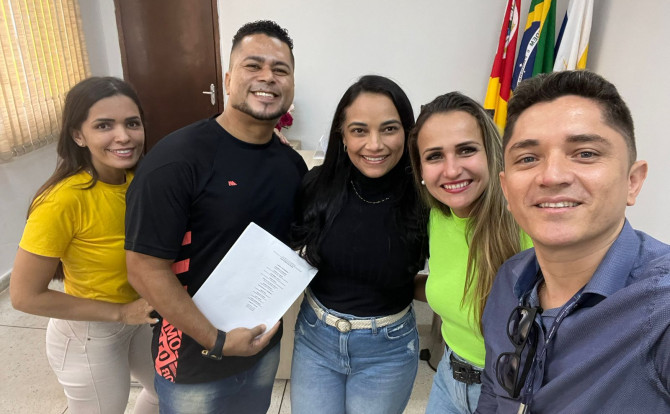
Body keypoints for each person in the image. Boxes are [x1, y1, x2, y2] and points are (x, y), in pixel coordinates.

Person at [124, 20, 307, 414]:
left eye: (280, 69)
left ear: (291, 84)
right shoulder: (176, 160)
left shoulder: (292, 166)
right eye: (253, 65)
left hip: (262, 349)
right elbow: (143, 268)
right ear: (227, 79)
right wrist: (217, 340)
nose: (267, 77)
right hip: (192, 360)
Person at [475, 70, 670, 413]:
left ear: (633, 181)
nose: (552, 176)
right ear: (506, 190)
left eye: (585, 153)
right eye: (528, 158)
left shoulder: (662, 309)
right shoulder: (509, 279)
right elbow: (494, 391)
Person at [9, 77, 158, 413]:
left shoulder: (141, 179)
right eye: (104, 125)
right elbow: (24, 296)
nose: (123, 136)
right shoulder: (61, 200)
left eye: (132, 123)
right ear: (78, 135)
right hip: (90, 333)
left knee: (166, 394)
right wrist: (121, 313)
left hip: (139, 317)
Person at [289, 75, 428, 414]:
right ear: (343, 135)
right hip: (315, 339)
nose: (374, 144)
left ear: (407, 132)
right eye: (359, 130)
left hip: (388, 350)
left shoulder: (425, 199)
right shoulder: (317, 187)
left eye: (389, 129)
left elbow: (439, 280)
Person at [407, 92, 531, 414]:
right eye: (435, 156)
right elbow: (454, 287)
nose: (451, 170)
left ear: (491, 153)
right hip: (448, 376)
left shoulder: (528, 224)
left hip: (506, 391)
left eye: (466, 150)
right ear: (420, 169)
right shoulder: (438, 216)